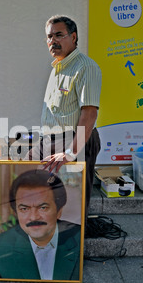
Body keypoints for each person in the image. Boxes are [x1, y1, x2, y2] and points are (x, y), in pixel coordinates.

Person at [28, 15, 102, 214]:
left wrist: (70, 152)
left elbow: (89, 113)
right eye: (49, 37)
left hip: (75, 143)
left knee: (73, 201)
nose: (53, 41)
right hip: (51, 141)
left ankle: (73, 242)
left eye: (59, 35)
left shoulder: (85, 67)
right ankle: (54, 237)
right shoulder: (57, 68)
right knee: (48, 193)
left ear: (74, 36)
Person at [0, 169, 81, 281]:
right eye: (24, 209)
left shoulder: (80, 238)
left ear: (59, 211)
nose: (33, 217)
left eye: (43, 208)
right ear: (16, 212)